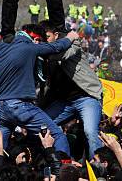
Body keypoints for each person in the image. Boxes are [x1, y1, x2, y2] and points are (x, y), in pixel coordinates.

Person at [0, 23, 79, 155]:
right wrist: (70, 37)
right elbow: (56, 47)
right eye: (39, 41)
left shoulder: (2, 46)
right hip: (19, 106)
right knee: (57, 135)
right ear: (36, 39)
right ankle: (64, 172)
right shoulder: (30, 47)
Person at [40, 20, 103, 158]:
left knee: (90, 132)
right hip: (65, 102)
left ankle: (99, 168)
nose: (44, 41)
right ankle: (62, 162)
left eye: (47, 37)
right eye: (42, 39)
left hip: (87, 97)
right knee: (42, 125)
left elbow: (61, 55)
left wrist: (37, 53)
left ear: (56, 35)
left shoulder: (72, 42)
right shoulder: (43, 54)